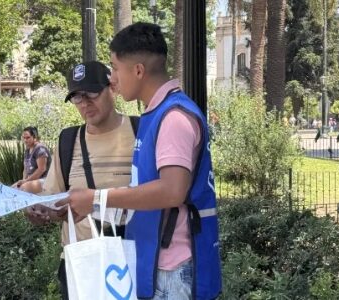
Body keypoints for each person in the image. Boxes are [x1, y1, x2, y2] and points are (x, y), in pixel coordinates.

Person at [57, 22, 222, 300]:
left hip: (173, 271)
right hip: (158, 264)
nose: (112, 79)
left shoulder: (173, 119)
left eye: (115, 68)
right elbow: (144, 190)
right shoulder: (156, 115)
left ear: (138, 71)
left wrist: (98, 198)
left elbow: (172, 191)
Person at [24, 61, 137, 300]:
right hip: (81, 262)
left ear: (112, 88)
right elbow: (54, 203)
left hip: (132, 255)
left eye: (92, 94)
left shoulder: (140, 130)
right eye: (76, 97)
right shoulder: (67, 141)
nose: (85, 103)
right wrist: (42, 212)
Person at [14, 126, 51, 194]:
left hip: (45, 180)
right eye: (24, 138)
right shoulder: (27, 150)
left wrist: (26, 181)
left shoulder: (40, 149)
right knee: (12, 188)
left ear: (34, 137)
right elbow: (25, 169)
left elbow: (41, 169)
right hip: (31, 180)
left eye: (28, 138)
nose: (25, 140)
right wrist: (24, 180)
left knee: (23, 188)